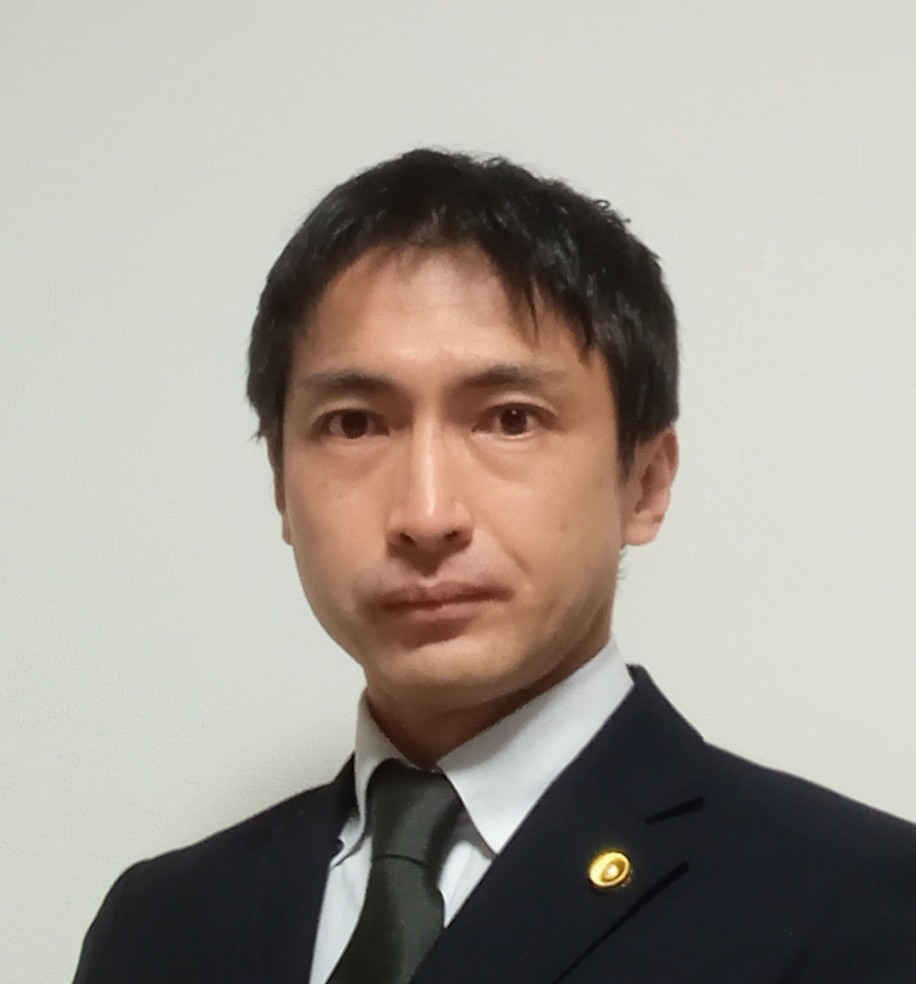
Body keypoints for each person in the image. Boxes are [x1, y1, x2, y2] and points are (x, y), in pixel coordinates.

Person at [73, 149, 916, 984]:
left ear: (646, 483)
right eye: (355, 424)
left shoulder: (863, 906)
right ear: (281, 488)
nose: (425, 516)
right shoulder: (161, 924)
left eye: (511, 419)